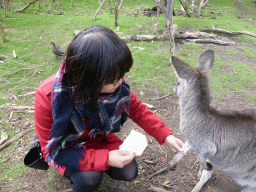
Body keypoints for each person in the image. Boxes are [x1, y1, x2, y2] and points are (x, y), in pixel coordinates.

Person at [34, 25, 184, 192]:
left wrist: (165, 135)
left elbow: (135, 107)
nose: (120, 82)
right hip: (67, 146)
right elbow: (51, 150)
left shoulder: (112, 80)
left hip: (98, 139)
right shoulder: (49, 96)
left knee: (129, 171)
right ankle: (80, 174)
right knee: (89, 179)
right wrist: (106, 158)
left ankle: (95, 163)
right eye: (112, 80)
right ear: (88, 78)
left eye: (121, 75)